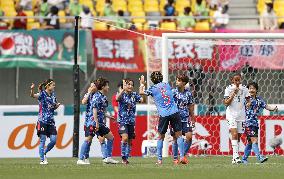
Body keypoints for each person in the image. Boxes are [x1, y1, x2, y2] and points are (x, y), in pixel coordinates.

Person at [139, 71, 187, 165]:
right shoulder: (167, 85)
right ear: (162, 78)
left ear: (152, 80)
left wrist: (142, 84)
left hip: (164, 114)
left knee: (161, 137)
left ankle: (159, 160)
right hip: (174, 112)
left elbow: (141, 92)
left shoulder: (152, 89)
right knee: (179, 135)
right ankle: (182, 157)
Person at [242, 82, 278, 164]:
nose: (251, 90)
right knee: (254, 141)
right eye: (250, 88)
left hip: (254, 123)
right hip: (247, 123)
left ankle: (244, 159)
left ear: (256, 90)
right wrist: (248, 103)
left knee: (250, 142)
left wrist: (273, 108)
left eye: (253, 88)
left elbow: (266, 106)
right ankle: (259, 157)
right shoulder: (246, 99)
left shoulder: (259, 100)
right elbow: (246, 106)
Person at [30, 79, 60, 165]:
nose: (54, 86)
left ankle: (44, 152)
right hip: (42, 121)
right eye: (53, 85)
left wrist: (56, 106)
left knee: (53, 140)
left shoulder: (53, 96)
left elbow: (53, 107)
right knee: (42, 140)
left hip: (51, 122)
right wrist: (32, 89)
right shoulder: (42, 94)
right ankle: (42, 160)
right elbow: (32, 95)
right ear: (48, 86)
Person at [223, 72, 250, 164]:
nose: (237, 82)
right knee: (234, 133)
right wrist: (233, 94)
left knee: (238, 136)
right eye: (236, 80)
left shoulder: (245, 89)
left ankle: (234, 158)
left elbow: (248, 100)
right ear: (232, 80)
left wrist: (248, 103)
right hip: (231, 114)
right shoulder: (228, 89)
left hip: (241, 115)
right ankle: (236, 156)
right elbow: (226, 103)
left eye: (239, 80)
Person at [116, 79, 144, 164]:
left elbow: (142, 100)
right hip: (123, 121)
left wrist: (142, 86)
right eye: (128, 84)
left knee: (130, 141)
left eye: (132, 85)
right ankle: (123, 157)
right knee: (125, 138)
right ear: (124, 86)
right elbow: (117, 98)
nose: (130, 86)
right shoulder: (121, 94)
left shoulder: (134, 95)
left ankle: (126, 157)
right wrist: (122, 90)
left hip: (131, 121)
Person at [92, 77, 119, 164]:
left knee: (102, 139)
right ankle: (108, 157)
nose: (108, 87)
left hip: (100, 122)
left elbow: (102, 111)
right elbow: (95, 110)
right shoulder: (97, 96)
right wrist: (96, 122)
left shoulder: (103, 97)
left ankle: (106, 157)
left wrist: (109, 116)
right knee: (110, 137)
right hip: (96, 123)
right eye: (107, 86)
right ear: (103, 87)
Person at [171, 74, 195, 164]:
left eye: (179, 80)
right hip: (175, 118)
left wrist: (193, 118)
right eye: (177, 80)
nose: (177, 82)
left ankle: (182, 155)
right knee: (175, 139)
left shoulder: (188, 93)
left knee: (189, 137)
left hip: (185, 118)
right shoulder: (173, 92)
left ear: (184, 83)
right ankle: (175, 158)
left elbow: (190, 106)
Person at [77, 81, 97, 165]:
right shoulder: (88, 94)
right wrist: (88, 92)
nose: (92, 87)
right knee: (88, 139)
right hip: (89, 121)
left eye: (93, 86)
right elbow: (83, 102)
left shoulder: (98, 95)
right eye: (91, 86)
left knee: (90, 140)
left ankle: (86, 157)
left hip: (95, 120)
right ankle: (80, 158)